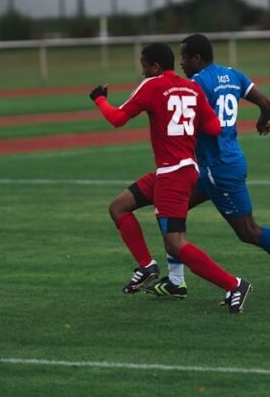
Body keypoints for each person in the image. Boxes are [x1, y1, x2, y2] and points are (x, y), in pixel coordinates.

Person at [142, 33, 270, 300]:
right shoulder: (233, 75)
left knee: (249, 231)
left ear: (197, 58)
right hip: (216, 164)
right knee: (171, 212)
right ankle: (176, 281)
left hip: (218, 167)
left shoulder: (196, 83)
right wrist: (261, 122)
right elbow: (267, 105)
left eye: (185, 57)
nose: (181, 63)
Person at [89, 42, 251, 314]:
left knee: (175, 243)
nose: (143, 73)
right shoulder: (192, 87)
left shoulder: (152, 85)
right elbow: (213, 127)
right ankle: (147, 266)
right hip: (183, 170)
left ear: (154, 66)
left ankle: (234, 284)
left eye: (144, 67)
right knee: (119, 207)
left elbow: (117, 119)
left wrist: (100, 99)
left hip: (171, 175)